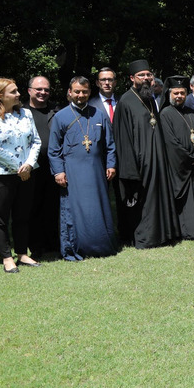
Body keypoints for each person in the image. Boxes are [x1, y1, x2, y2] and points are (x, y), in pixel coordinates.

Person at [48, 76, 118, 260]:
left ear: (89, 92)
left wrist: (111, 164)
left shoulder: (99, 115)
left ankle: (102, 246)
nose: (80, 95)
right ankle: (75, 248)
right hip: (72, 173)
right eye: (77, 91)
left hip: (96, 171)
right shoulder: (60, 117)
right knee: (74, 211)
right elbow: (53, 149)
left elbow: (110, 145)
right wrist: (59, 171)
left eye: (84, 92)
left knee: (97, 209)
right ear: (69, 93)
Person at [0, 78, 42, 273]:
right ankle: (7, 257)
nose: (18, 94)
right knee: (1, 218)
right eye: (13, 92)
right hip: (2, 175)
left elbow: (36, 141)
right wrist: (19, 168)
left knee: (22, 215)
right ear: (0, 95)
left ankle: (22, 253)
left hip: (27, 173)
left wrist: (29, 165)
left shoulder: (26, 114)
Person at [113, 59, 179, 248]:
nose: (146, 78)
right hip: (140, 161)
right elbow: (122, 137)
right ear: (132, 78)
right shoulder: (125, 101)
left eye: (148, 74)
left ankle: (163, 234)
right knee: (145, 201)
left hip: (157, 158)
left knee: (159, 196)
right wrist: (130, 168)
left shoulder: (149, 98)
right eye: (141, 75)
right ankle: (146, 237)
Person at [160, 75, 194, 240]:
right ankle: (184, 231)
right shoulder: (165, 114)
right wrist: (189, 158)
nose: (179, 96)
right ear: (170, 94)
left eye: (182, 93)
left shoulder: (191, 111)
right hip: (178, 166)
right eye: (176, 93)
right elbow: (171, 142)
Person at [21, 75, 59, 260]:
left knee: (53, 206)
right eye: (39, 89)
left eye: (46, 89)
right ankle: (36, 246)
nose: (43, 92)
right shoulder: (20, 112)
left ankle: (54, 243)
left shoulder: (56, 110)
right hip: (31, 169)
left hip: (54, 168)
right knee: (32, 208)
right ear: (29, 90)